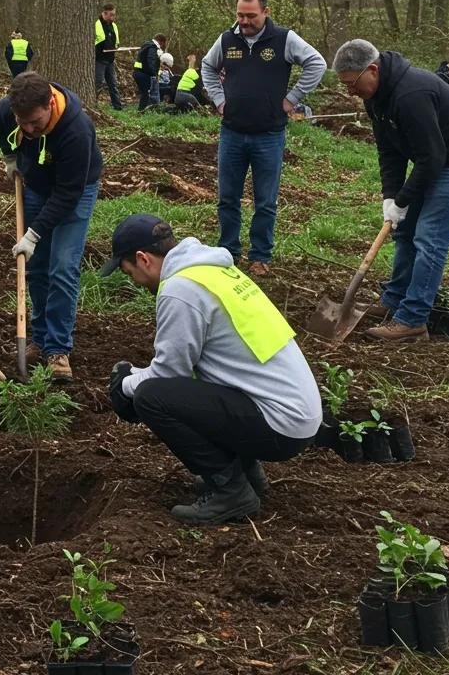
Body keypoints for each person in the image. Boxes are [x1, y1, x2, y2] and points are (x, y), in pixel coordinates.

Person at [100, 214, 321, 525]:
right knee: (191, 389)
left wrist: (124, 383)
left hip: (279, 425)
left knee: (150, 397)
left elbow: (168, 376)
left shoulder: (181, 289)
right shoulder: (216, 273)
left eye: (129, 273)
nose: (135, 283)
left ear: (143, 259)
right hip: (297, 414)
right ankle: (246, 473)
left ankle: (231, 492)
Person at [334, 39, 449, 341]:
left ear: (372, 70)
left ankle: (413, 319)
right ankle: (393, 300)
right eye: (344, 86)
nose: (349, 91)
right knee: (404, 230)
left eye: (351, 83)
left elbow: (432, 158)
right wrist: (391, 197)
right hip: (435, 158)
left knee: (429, 235)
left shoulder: (411, 94)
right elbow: (389, 152)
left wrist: (405, 199)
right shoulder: (375, 97)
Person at [201, 0, 326, 276]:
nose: (244, 22)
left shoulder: (283, 39)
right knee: (227, 197)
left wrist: (292, 99)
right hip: (232, 132)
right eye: (240, 16)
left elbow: (316, 63)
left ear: (266, 12)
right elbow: (208, 67)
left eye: (251, 16)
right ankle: (228, 251)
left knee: (265, 200)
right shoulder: (227, 40)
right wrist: (220, 101)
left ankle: (260, 256)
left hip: (269, 135)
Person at [0, 72, 103, 381]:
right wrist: (10, 156)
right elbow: (2, 123)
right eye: (22, 123)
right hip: (36, 186)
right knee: (37, 266)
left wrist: (34, 233)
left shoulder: (76, 131)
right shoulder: (7, 110)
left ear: (50, 103)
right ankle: (40, 338)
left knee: (63, 267)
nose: (28, 129)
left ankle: (57, 348)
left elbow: (68, 194)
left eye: (35, 124)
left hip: (76, 190)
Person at [94, 3, 124, 111]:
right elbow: (96, 41)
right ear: (104, 13)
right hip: (99, 59)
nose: (113, 17)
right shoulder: (97, 24)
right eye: (111, 15)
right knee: (98, 83)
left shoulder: (113, 25)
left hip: (110, 59)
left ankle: (118, 106)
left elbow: (116, 42)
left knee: (113, 83)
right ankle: (93, 104)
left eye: (114, 15)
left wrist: (116, 48)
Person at [132, 35, 164, 111]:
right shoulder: (153, 47)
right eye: (163, 44)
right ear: (161, 41)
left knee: (145, 93)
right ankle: (142, 111)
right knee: (146, 94)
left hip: (137, 72)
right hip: (144, 74)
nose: (162, 46)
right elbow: (151, 60)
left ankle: (142, 110)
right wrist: (154, 73)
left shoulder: (146, 44)